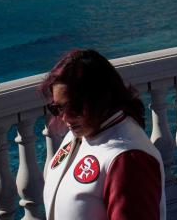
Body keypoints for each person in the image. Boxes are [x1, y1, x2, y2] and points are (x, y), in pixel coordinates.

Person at [39, 49, 166, 220]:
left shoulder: (128, 159)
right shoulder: (79, 135)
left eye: (74, 107)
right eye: (58, 108)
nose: (65, 117)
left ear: (100, 98)